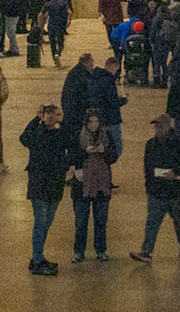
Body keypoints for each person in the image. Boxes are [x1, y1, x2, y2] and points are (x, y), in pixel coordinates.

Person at [129, 114, 180, 263]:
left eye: (160, 127)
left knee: (179, 221)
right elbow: (147, 168)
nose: (157, 130)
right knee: (152, 222)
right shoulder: (151, 145)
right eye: (156, 127)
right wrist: (149, 186)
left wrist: (176, 173)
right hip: (156, 192)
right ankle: (147, 251)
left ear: (168, 127)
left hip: (175, 192)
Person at [19, 104, 74, 276]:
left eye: (54, 115)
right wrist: (35, 119)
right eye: (48, 115)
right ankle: (37, 261)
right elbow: (23, 138)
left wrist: (63, 122)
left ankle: (38, 256)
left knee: (47, 221)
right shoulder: (36, 133)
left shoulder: (60, 134)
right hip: (39, 183)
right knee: (40, 221)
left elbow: (72, 140)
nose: (51, 118)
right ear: (42, 116)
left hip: (55, 183)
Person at [71, 110, 115, 263]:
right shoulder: (78, 136)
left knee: (101, 221)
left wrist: (104, 152)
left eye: (96, 121)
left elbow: (114, 156)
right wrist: (85, 151)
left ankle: (101, 250)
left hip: (101, 184)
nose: (93, 125)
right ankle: (79, 252)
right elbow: (71, 156)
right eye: (90, 122)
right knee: (81, 222)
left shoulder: (106, 136)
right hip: (82, 185)